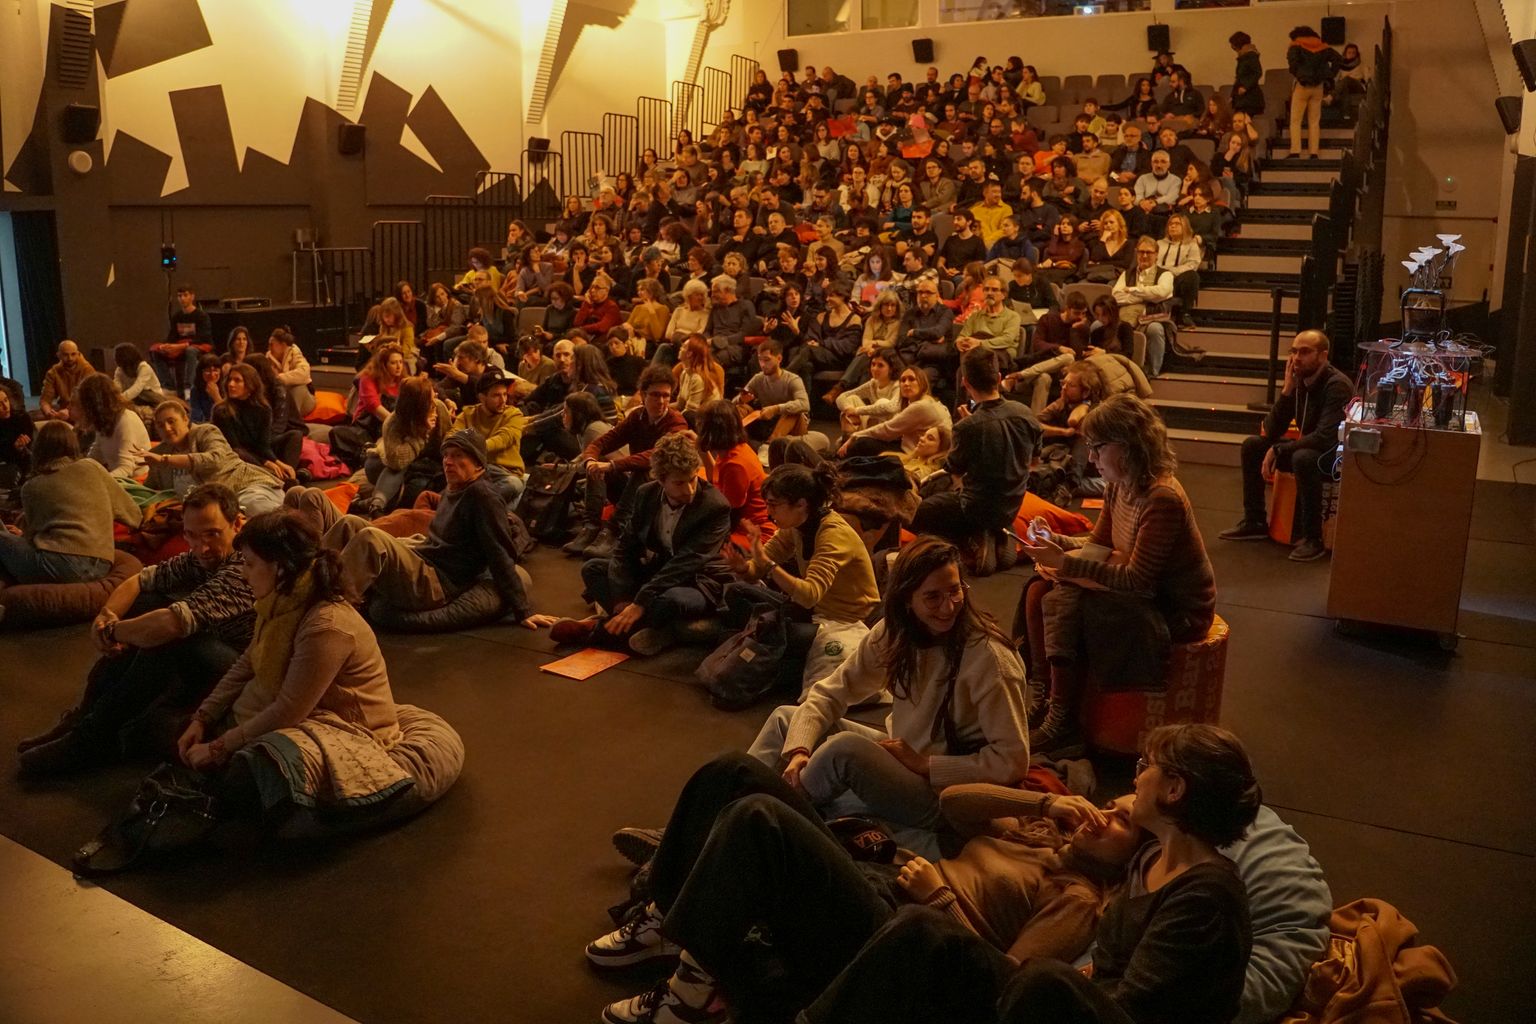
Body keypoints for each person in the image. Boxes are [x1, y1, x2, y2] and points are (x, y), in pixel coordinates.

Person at [169, 510, 461, 848]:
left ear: (279, 567)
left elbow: (289, 710)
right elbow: (248, 660)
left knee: (249, 774)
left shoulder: (326, 624)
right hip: (311, 714)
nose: (244, 574)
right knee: (184, 687)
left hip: (353, 729)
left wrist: (219, 747)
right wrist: (202, 719)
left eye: (249, 564)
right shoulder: (280, 603)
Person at [745, 534, 1028, 846]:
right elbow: (831, 693)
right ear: (907, 599)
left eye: (955, 590)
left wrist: (927, 765)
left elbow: (1012, 761)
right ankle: (735, 799)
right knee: (787, 719)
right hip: (905, 754)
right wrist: (799, 751)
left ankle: (764, 824)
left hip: (944, 794)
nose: (949, 606)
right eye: (932, 597)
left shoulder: (990, 658)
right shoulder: (896, 632)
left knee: (844, 750)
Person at [1021, 394, 1216, 753]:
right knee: (1037, 588)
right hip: (1145, 592)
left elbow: (1138, 583)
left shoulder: (1162, 498)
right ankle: (1044, 697)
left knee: (1067, 600)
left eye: (1096, 447)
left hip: (1177, 609)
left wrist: (1064, 564)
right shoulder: (1120, 483)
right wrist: (1056, 541)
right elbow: (1098, 544)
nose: (1090, 457)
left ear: (1128, 446)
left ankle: (1062, 720)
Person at [18, 484, 255, 776]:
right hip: (214, 645)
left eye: (212, 533)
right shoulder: (201, 557)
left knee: (171, 635)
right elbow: (140, 580)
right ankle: (84, 716)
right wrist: (106, 616)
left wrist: (112, 632)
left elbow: (171, 624)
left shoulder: (244, 567)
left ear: (237, 524)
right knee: (147, 602)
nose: (200, 546)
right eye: (191, 535)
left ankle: (91, 739)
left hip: (242, 666)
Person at [297, 429, 540, 623]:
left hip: (438, 584)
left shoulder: (482, 496)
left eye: (458, 456)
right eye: (447, 455)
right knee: (350, 523)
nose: (448, 462)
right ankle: (299, 582)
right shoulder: (454, 487)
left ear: (478, 464)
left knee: (371, 538)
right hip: (426, 562)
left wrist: (523, 609)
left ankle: (322, 612)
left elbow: (500, 553)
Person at [555, 433, 732, 656]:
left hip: (700, 581)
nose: (689, 489)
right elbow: (625, 547)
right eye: (679, 482)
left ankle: (595, 629)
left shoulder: (715, 506)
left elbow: (688, 562)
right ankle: (647, 629)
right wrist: (622, 598)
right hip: (659, 572)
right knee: (593, 569)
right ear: (660, 480)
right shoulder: (646, 494)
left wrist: (639, 602)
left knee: (670, 600)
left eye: (693, 479)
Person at [720, 459, 880, 688]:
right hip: (810, 610)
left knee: (766, 630)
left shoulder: (833, 535)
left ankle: (771, 659)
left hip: (841, 619)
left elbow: (809, 594)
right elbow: (760, 566)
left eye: (774, 505)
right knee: (735, 591)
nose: (768, 512)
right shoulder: (797, 526)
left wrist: (768, 565)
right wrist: (744, 568)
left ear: (801, 504)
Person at [1219, 330, 1353, 561]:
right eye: (1293, 351)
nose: (1296, 358)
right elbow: (1271, 430)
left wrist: (1279, 449)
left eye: (1304, 352)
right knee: (1253, 445)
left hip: (1334, 455)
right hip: (1308, 447)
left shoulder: (1337, 385)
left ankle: (1313, 538)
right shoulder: (1299, 381)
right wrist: (1287, 389)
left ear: (1322, 355)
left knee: (1303, 457)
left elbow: (1325, 437)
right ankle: (1255, 520)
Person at [912, 349, 1040, 572]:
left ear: (965, 383)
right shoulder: (1025, 413)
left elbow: (954, 470)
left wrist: (969, 431)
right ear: (999, 379)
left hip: (975, 507)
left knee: (917, 512)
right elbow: (1034, 461)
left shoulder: (967, 427)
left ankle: (971, 538)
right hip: (1011, 504)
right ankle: (998, 529)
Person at [563, 366, 688, 559]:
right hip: (638, 488)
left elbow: (655, 455)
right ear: (644, 395)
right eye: (655, 395)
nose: (661, 401)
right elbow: (604, 441)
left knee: (643, 470)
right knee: (599, 464)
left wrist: (613, 466)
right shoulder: (637, 416)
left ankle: (614, 531)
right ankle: (591, 526)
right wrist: (590, 460)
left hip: (662, 491)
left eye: (666, 396)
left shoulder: (676, 423)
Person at [0, 421, 140, 587]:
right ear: (73, 444)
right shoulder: (92, 467)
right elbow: (134, 516)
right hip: (102, 565)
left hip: (61, 567)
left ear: (38, 449)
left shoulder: (32, 487)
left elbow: (33, 538)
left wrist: (19, 537)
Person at [143, 400, 287, 515]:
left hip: (247, 488)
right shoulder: (159, 452)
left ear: (185, 419)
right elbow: (149, 490)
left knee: (253, 507)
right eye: (161, 425)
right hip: (211, 510)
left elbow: (215, 459)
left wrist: (166, 460)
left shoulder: (205, 432)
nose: (167, 428)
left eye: (171, 421)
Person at [361, 377, 450, 517]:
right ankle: (376, 506)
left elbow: (448, 443)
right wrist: (422, 434)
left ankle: (367, 503)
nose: (434, 401)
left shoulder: (439, 409)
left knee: (420, 485)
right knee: (377, 467)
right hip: (398, 464)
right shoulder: (393, 422)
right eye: (430, 399)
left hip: (430, 464)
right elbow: (397, 462)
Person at [696, 399, 773, 548]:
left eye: (700, 425)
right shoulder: (732, 449)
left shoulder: (735, 465)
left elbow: (731, 516)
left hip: (751, 531)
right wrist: (702, 450)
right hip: (740, 522)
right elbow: (715, 479)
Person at [211, 362, 296, 485]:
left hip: (257, 452)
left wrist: (277, 462)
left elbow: (263, 445)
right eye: (230, 380)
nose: (231, 384)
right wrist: (265, 462)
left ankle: (288, 475)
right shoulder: (222, 410)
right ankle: (275, 478)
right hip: (237, 456)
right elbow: (234, 446)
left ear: (250, 385)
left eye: (237, 380)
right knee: (238, 452)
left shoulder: (263, 408)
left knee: (295, 435)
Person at [840, 365, 951, 458]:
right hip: (909, 445)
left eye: (911, 379)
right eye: (903, 380)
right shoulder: (929, 402)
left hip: (917, 454)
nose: (906, 383)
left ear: (922, 383)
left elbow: (887, 429)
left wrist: (855, 435)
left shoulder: (922, 406)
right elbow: (842, 397)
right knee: (852, 400)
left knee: (862, 443)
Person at [452, 370, 526, 507]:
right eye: (496, 395)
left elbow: (504, 438)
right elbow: (452, 438)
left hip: (505, 472)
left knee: (514, 485)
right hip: (475, 469)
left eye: (504, 394)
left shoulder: (513, 414)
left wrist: (473, 448)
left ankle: (469, 505)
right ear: (482, 397)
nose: (503, 400)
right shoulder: (468, 414)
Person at [1112, 238, 1176, 377]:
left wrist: (1132, 290)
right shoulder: (1127, 273)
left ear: (1157, 254)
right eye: (1141, 252)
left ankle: (1153, 371)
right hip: (1125, 317)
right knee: (1098, 324)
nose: (1144, 256)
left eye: (1149, 252)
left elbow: (1162, 292)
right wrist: (1145, 295)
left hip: (1151, 317)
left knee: (1155, 329)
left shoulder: (1165, 274)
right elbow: (1116, 296)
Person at [74, 373, 150, 480]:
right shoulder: (105, 421)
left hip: (137, 481)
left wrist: (101, 482)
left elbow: (126, 468)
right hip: (121, 479)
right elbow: (96, 454)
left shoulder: (125, 420)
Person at [737, 339, 811, 445]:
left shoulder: (793, 379)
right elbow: (734, 401)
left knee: (792, 411)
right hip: (767, 423)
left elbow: (805, 404)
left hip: (790, 425)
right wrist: (741, 399)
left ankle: (770, 445)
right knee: (741, 407)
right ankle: (735, 440)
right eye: (760, 360)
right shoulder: (758, 378)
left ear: (779, 358)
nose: (762, 364)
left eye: (767, 360)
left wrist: (776, 409)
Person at [1287, 26, 1340, 159]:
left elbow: (1292, 64)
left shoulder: (1296, 45)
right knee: (1314, 121)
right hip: (1318, 87)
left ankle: (1295, 151)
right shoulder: (1322, 46)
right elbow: (1338, 59)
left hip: (1302, 85)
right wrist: (1329, 75)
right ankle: (1314, 152)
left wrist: (1299, 75)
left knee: (1295, 120)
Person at [153, 284, 214, 393]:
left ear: (192, 296)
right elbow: (172, 336)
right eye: (180, 296)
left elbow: (203, 336)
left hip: (199, 345)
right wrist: (167, 346)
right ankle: (169, 386)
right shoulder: (177, 316)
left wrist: (182, 345)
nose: (182, 299)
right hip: (180, 345)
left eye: (185, 295)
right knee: (156, 351)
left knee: (190, 351)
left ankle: (188, 387)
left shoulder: (202, 316)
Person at [955, 276, 1023, 367]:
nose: (989, 293)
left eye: (994, 290)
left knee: (971, 362)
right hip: (975, 357)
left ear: (1004, 295)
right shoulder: (975, 316)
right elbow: (963, 335)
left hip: (1002, 358)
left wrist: (980, 343)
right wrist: (959, 342)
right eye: (986, 289)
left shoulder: (1013, 317)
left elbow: (1007, 340)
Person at [1157, 213, 1204, 330]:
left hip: (1177, 279)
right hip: (1159, 278)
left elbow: (1193, 264)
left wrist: (1173, 271)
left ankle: (1185, 313)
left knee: (1192, 276)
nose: (1173, 226)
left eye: (1177, 224)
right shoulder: (1159, 244)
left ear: (1185, 227)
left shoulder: (1191, 245)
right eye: (1171, 224)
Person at [353, 342, 406, 438]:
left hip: (393, 422)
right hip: (367, 425)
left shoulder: (403, 379)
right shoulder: (367, 378)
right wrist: (401, 429)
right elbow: (375, 407)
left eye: (401, 362)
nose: (399, 367)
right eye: (393, 363)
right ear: (383, 365)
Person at [265, 327, 315, 418]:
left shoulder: (295, 353)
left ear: (283, 345)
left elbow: (303, 373)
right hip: (281, 396)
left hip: (304, 397)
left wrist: (278, 378)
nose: (269, 348)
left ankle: (291, 420)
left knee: (298, 388)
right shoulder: (268, 358)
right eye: (269, 344)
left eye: (272, 344)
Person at [39, 340, 90, 422]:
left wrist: (71, 411)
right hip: (63, 414)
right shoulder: (53, 372)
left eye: (73, 354)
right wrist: (49, 413)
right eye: (66, 355)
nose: (70, 358)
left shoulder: (88, 370)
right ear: (58, 355)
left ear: (78, 353)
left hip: (84, 413)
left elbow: (92, 400)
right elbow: (45, 400)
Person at [113, 344, 169, 409]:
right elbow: (116, 386)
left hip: (153, 397)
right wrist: (115, 396)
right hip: (135, 398)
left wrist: (121, 399)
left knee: (142, 393)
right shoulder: (120, 370)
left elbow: (137, 388)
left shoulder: (144, 367)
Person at [0, 384, 35, 481]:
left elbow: (33, 448)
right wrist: (13, 448)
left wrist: (20, 449)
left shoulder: (22, 418)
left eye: (6, 400)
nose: (5, 406)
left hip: (25, 465)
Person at [1229, 31, 1266, 116]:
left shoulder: (1251, 56)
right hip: (1241, 98)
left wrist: (1245, 86)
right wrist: (1232, 95)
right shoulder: (1243, 57)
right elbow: (1238, 79)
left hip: (1250, 99)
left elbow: (1257, 72)